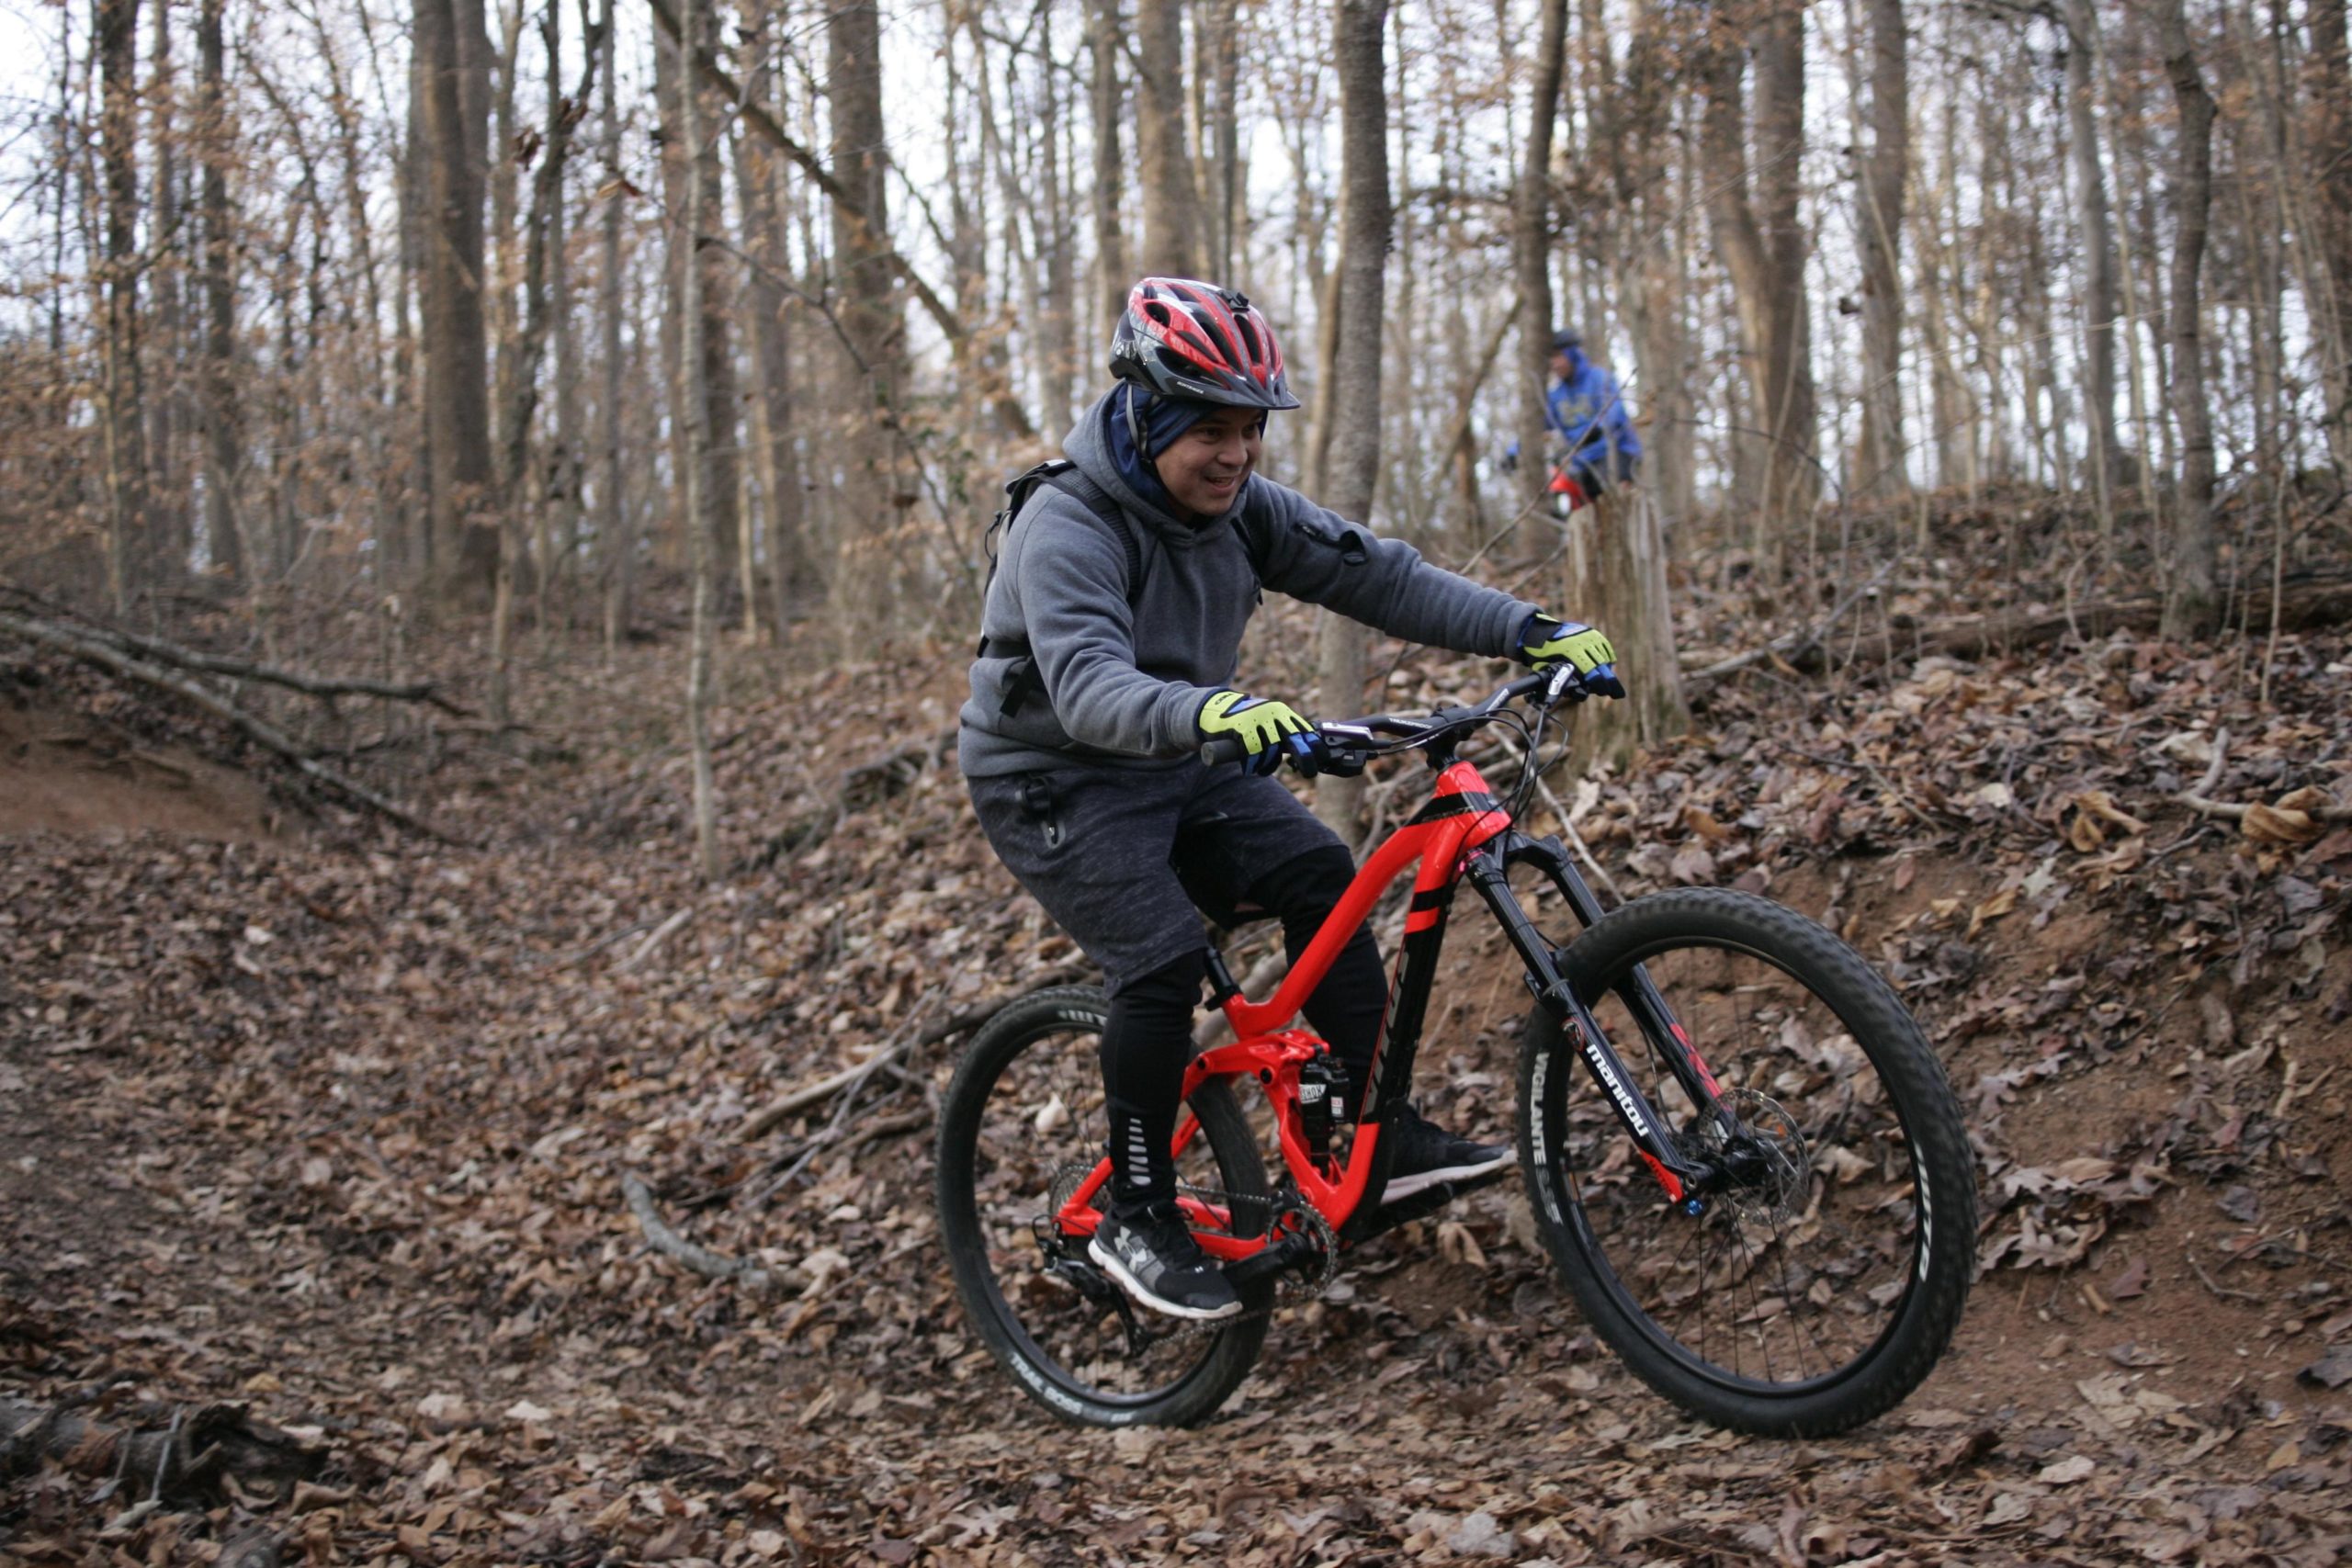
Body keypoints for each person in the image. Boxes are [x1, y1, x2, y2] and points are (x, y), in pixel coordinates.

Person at [958, 276, 1623, 1322]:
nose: (1236, 453)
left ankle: (1372, 1129)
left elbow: (1378, 576)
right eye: (1209, 429)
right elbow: (1088, 686)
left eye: (1251, 429)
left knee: (1324, 872)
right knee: (1161, 956)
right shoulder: (1068, 524)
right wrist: (1214, 713)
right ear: (1147, 413)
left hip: (1180, 756)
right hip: (1056, 776)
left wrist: (1526, 628)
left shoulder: (1239, 510)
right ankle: (1135, 1212)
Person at [1544, 329, 1641, 497]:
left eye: (1558, 355)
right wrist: (1514, 453)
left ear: (1572, 353)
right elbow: (1539, 427)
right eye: (1551, 358)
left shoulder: (1599, 379)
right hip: (1583, 463)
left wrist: (1597, 429)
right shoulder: (1556, 396)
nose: (1555, 363)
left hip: (1616, 452)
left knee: (1616, 501)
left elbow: (1614, 411)